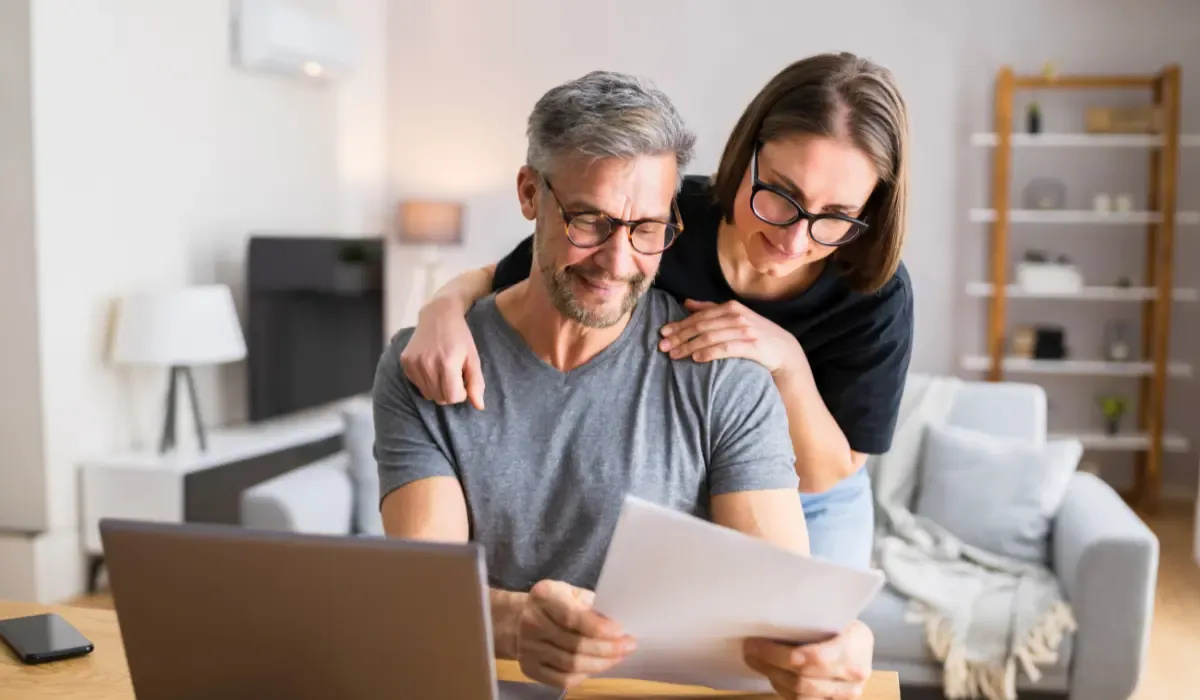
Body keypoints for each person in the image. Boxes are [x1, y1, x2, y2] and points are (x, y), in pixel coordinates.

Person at [376, 70, 874, 700]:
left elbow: (781, 612)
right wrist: (513, 623)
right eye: (589, 221)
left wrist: (833, 649)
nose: (618, 263)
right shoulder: (426, 367)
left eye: (647, 229)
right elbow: (423, 593)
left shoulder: (726, 376)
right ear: (529, 193)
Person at [399, 52, 913, 571]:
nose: (794, 237)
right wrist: (442, 309)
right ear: (746, 155)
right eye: (780, 194)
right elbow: (508, 275)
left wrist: (786, 359)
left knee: (809, 638)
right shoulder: (657, 217)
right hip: (708, 470)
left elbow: (829, 472)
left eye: (837, 217)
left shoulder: (875, 289)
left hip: (815, 495)